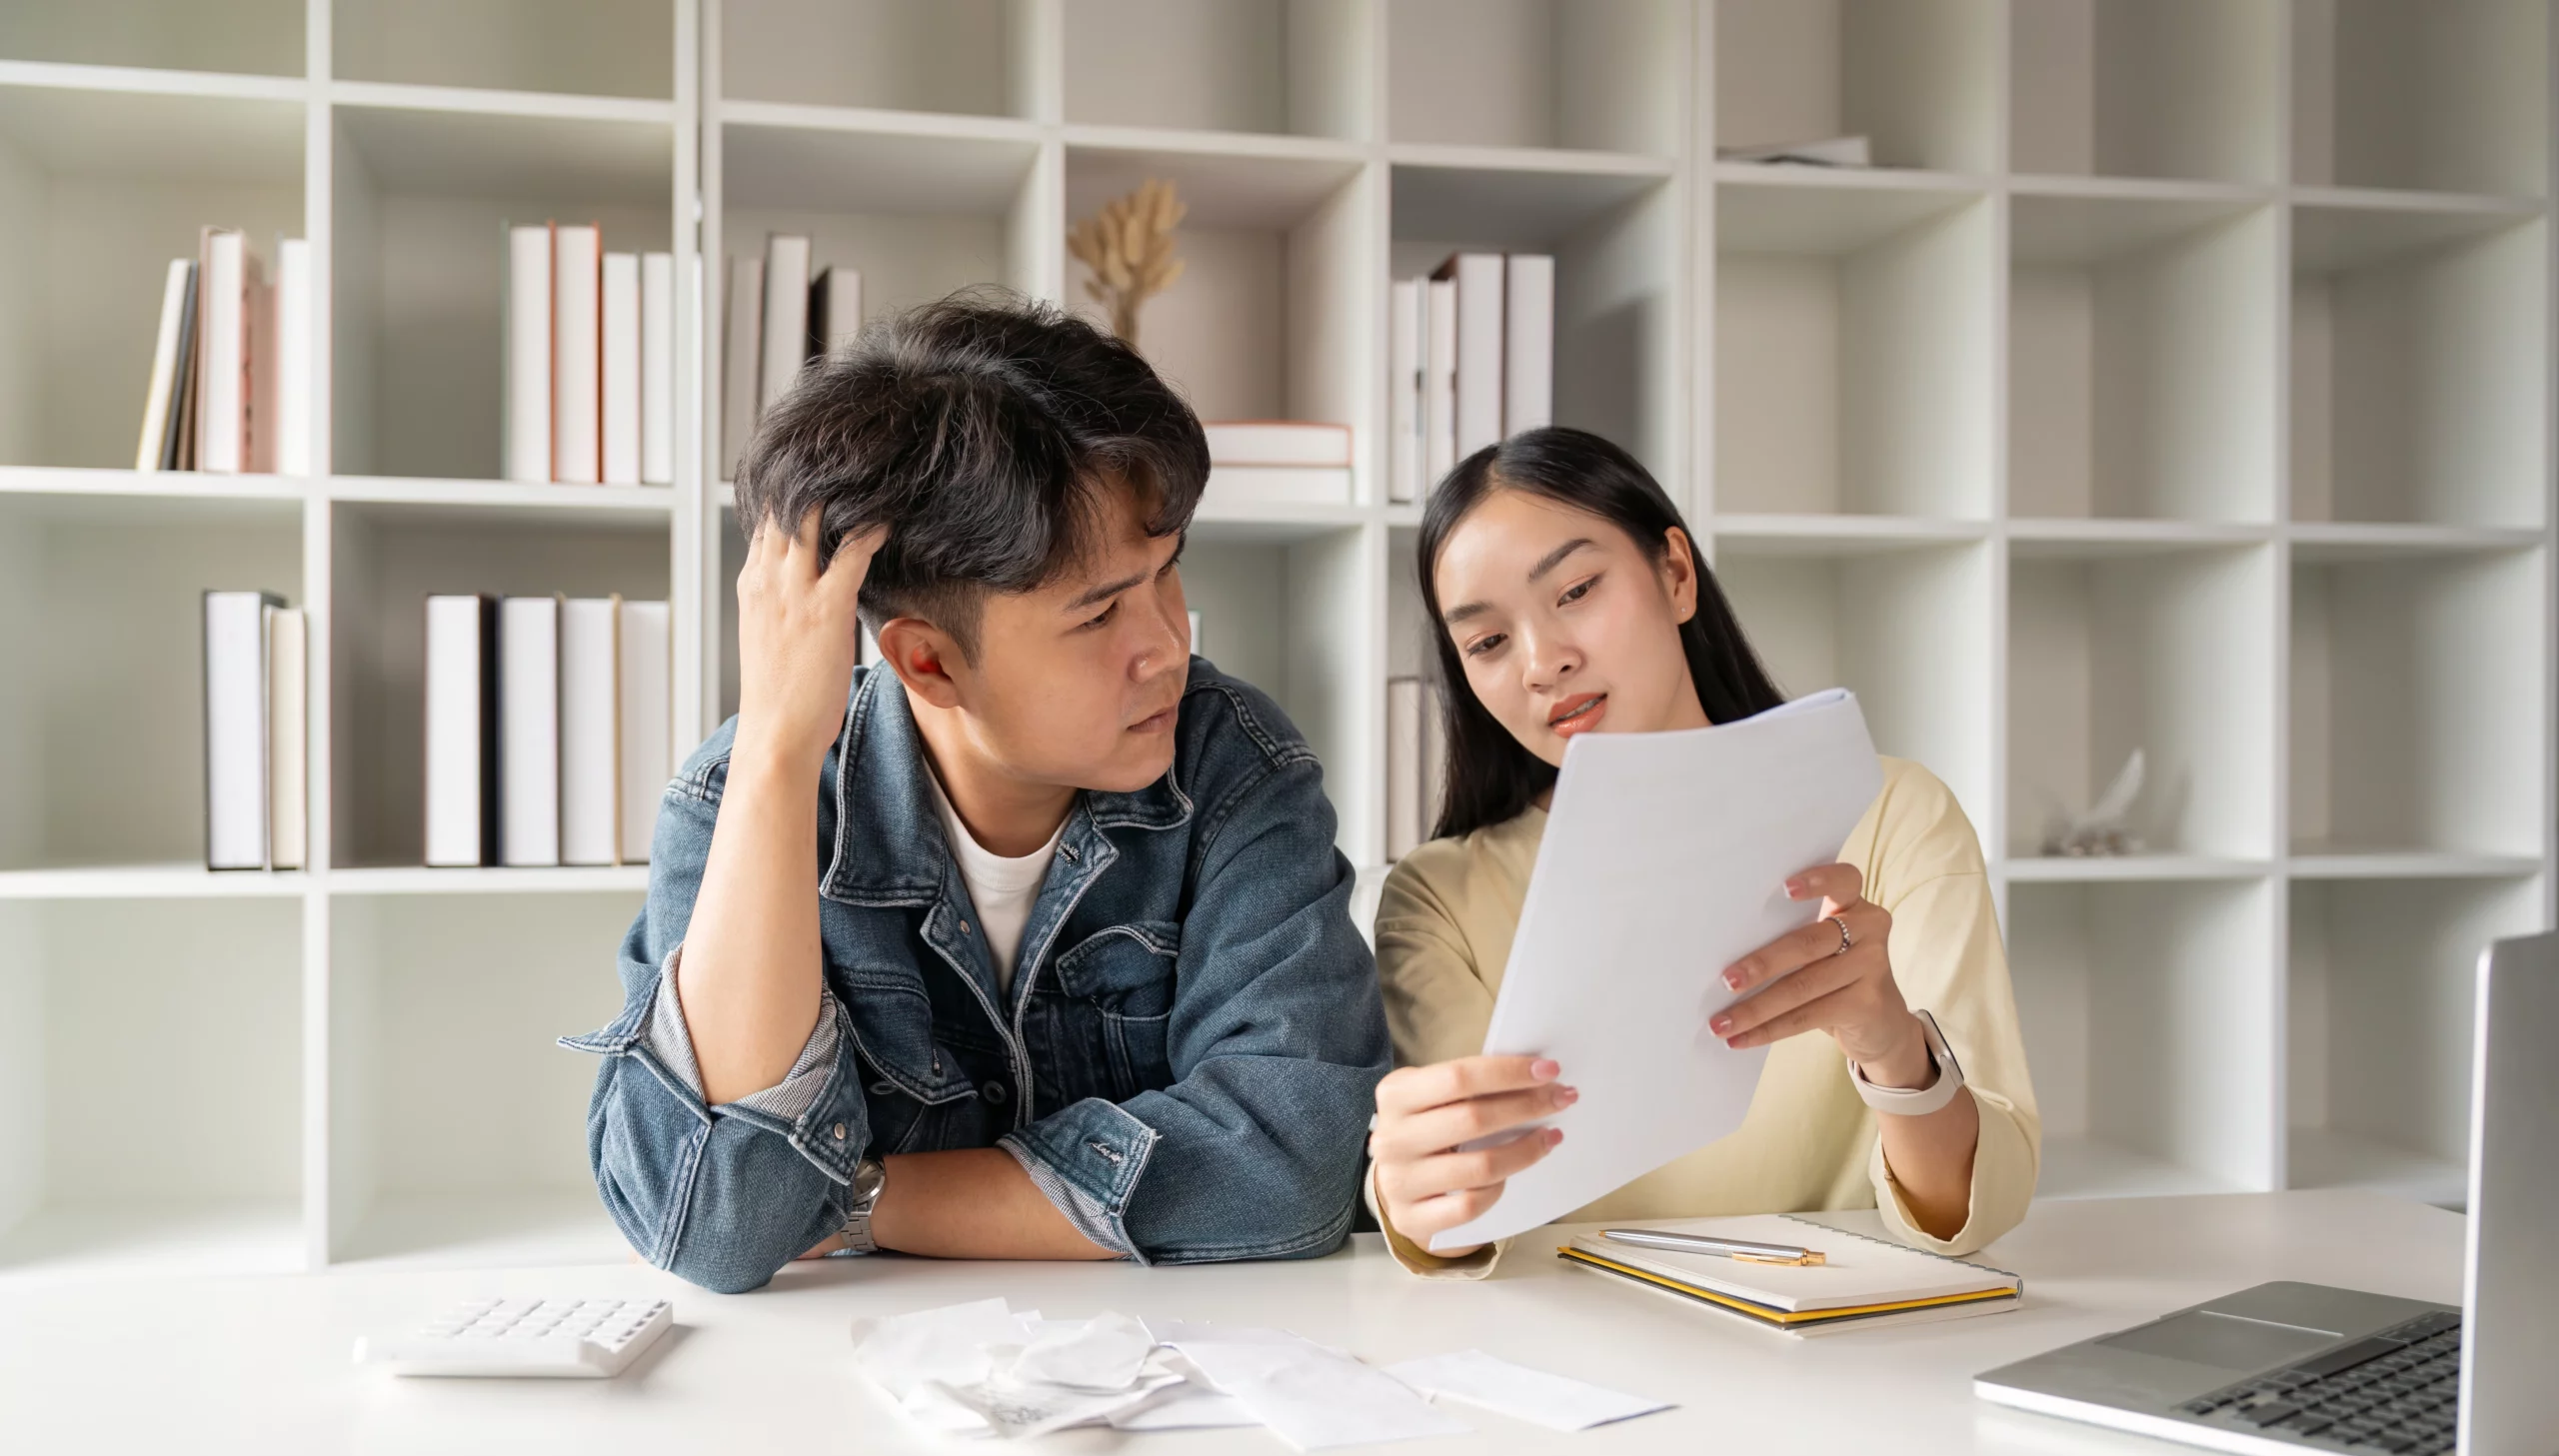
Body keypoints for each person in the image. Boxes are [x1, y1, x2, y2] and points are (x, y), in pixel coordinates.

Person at [567, 294, 1390, 1293]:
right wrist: (778, 753)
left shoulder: (1235, 768)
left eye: (1166, 575)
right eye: (1098, 618)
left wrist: (862, 1197)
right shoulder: (739, 800)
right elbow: (711, 1226)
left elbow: (1291, 1167)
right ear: (928, 661)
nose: (1169, 645)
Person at [1367, 428, 2037, 1274]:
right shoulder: (1440, 897)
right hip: (1579, 1366)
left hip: (1843, 1353)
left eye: (1575, 590)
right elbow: (1468, 1220)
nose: (1544, 662)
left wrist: (1892, 1045)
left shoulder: (1890, 812)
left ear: (1675, 574)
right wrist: (1410, 1187)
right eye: (1488, 643)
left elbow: (1974, 1211)